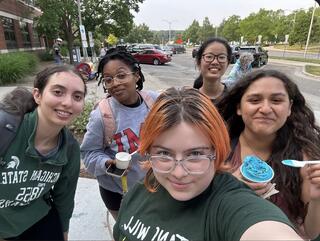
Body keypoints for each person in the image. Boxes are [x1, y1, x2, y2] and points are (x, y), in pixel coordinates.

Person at [113, 87, 302, 241]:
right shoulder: (140, 190)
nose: (178, 173)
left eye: (195, 154)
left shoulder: (229, 205)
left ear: (216, 150)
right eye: (164, 153)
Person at [217, 69, 320, 239]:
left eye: (277, 100)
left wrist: (317, 199)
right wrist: (228, 188)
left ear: (289, 108)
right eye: (255, 100)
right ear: (239, 107)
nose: (265, 109)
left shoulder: (304, 160)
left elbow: (309, 232)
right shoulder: (217, 150)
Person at [0, 65, 87, 240]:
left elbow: (65, 196)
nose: (68, 102)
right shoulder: (5, 130)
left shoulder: (69, 147)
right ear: (37, 95)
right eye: (58, 92)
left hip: (40, 219)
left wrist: (64, 232)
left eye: (77, 96)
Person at [80, 47, 158, 220]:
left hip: (152, 186)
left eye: (121, 75)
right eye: (108, 79)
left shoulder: (153, 102)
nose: (115, 83)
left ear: (136, 75)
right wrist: (108, 164)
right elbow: (88, 153)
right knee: (124, 231)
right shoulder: (102, 115)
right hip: (116, 191)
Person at [192, 37, 232, 105]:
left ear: (227, 63)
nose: (215, 62)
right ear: (199, 63)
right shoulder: (189, 101)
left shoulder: (235, 99)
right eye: (209, 57)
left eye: (221, 57)